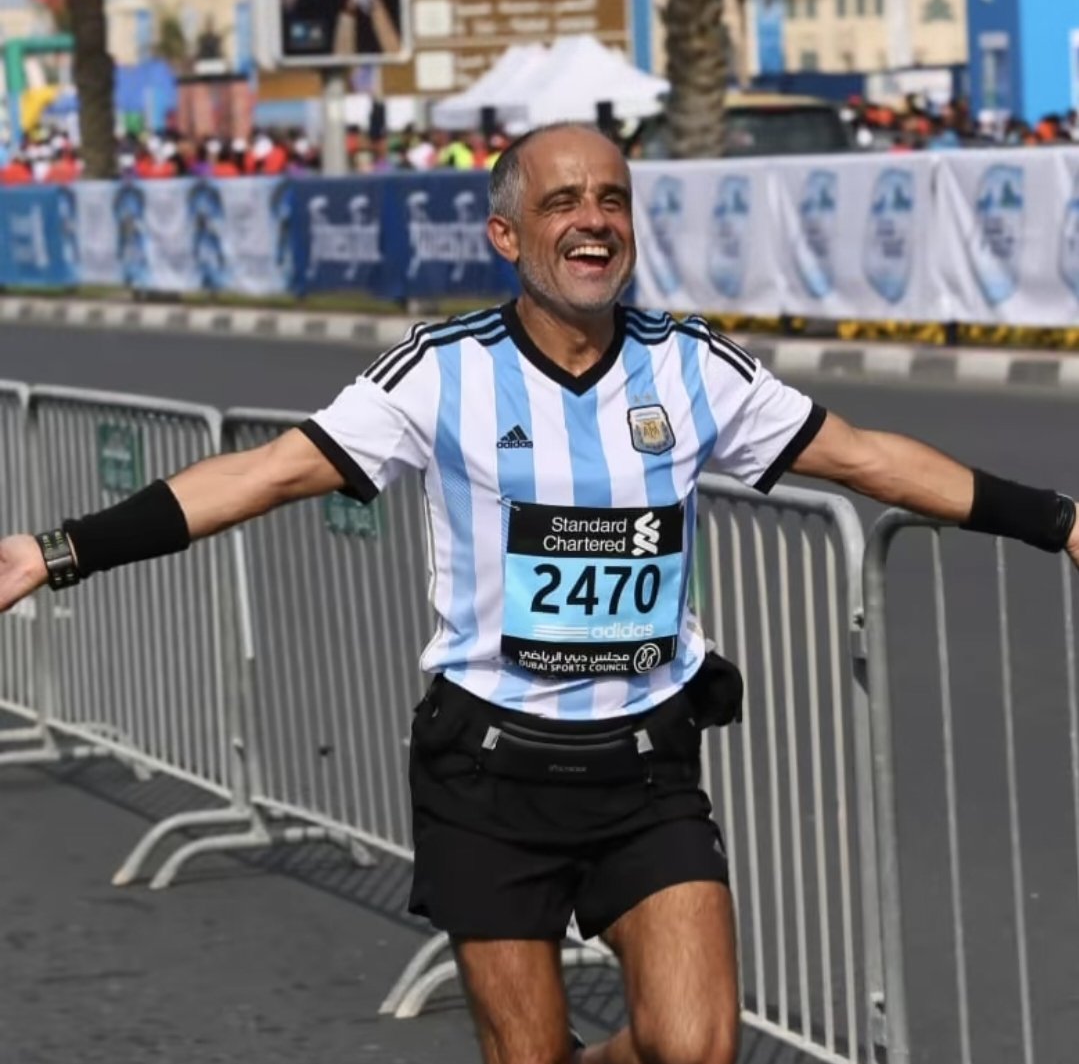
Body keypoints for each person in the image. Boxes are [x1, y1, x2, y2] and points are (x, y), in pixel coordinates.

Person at [1, 122, 1077, 1064]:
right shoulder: (441, 370)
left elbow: (866, 459)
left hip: (646, 768)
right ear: (507, 237)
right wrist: (57, 550)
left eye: (610, 198)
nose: (591, 218)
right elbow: (261, 472)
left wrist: (1058, 520)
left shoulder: (689, 365)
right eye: (560, 200)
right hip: (487, 773)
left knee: (692, 1044)